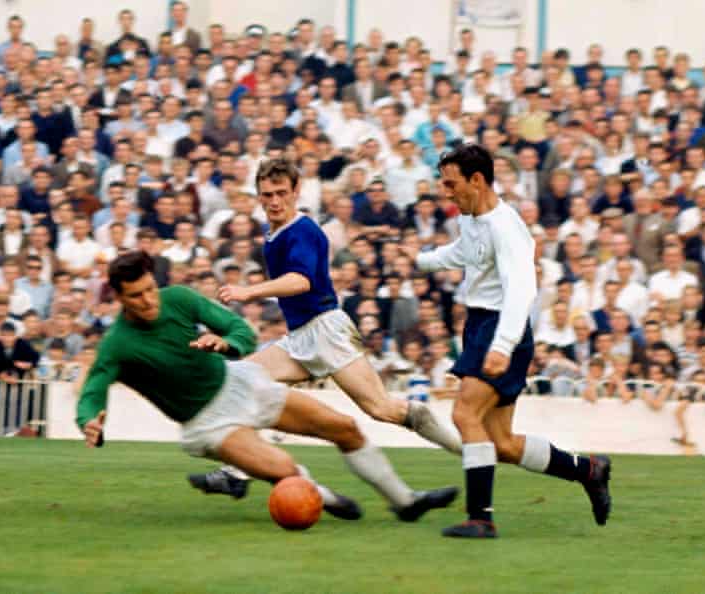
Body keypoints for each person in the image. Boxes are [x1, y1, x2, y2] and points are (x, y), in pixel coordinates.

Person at [77, 251, 457, 522]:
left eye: (149, 289)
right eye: (136, 296)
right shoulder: (117, 344)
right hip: (209, 424)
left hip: (240, 384)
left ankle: (405, 502)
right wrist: (89, 421)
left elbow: (239, 329)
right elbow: (93, 391)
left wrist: (227, 344)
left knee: (345, 428)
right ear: (118, 298)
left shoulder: (177, 298)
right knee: (285, 469)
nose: (148, 301)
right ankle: (324, 498)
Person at [192, 158, 461, 493]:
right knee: (244, 380)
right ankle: (236, 472)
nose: (274, 201)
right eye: (267, 194)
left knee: (382, 408)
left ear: (296, 191)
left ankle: (465, 449)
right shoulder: (272, 234)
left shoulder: (303, 230)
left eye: (281, 193)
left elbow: (301, 281)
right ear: (259, 196)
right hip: (299, 337)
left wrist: (249, 291)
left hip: (326, 331)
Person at [403, 144, 612, 538]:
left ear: (477, 180)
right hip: (482, 325)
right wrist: (421, 260)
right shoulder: (473, 219)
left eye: (451, 184)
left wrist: (502, 344)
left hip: (500, 327)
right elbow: (464, 253)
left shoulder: (506, 226)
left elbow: (522, 290)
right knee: (502, 444)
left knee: (465, 415)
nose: (446, 192)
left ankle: (481, 519)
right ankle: (589, 470)